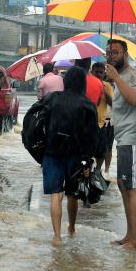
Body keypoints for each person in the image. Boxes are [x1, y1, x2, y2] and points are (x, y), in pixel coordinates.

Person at [104, 39, 136, 251]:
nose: (111, 56)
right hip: (125, 139)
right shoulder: (121, 78)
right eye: (108, 53)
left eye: (116, 52)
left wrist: (115, 78)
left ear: (125, 55)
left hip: (135, 139)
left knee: (133, 187)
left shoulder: (132, 76)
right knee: (124, 186)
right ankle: (129, 235)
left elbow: (134, 99)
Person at [41, 66, 98, 244]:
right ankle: (71, 228)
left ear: (65, 82)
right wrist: (89, 159)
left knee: (55, 195)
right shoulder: (88, 104)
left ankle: (56, 237)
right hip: (77, 154)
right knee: (73, 194)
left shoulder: (52, 99)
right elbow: (93, 135)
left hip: (52, 152)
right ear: (83, 83)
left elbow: (38, 121)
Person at [92, 61, 114, 179]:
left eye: (101, 72)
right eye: (97, 72)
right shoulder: (87, 83)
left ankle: (99, 170)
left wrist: (103, 90)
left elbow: (112, 103)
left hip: (102, 123)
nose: (99, 74)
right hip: (88, 123)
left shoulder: (107, 86)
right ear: (92, 71)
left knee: (103, 150)